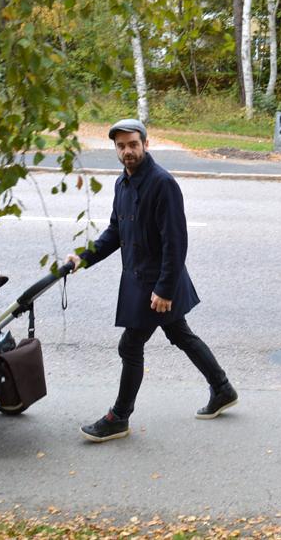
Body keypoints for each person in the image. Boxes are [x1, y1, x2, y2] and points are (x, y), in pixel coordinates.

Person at [67, 119, 237, 443]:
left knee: (130, 346)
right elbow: (115, 231)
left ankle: (119, 417)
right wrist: (82, 257)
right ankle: (223, 388)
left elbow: (176, 242)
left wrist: (165, 289)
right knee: (181, 335)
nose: (127, 151)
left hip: (156, 286)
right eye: (121, 146)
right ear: (115, 149)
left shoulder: (162, 184)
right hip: (141, 281)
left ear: (145, 144)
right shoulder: (123, 184)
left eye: (133, 144)